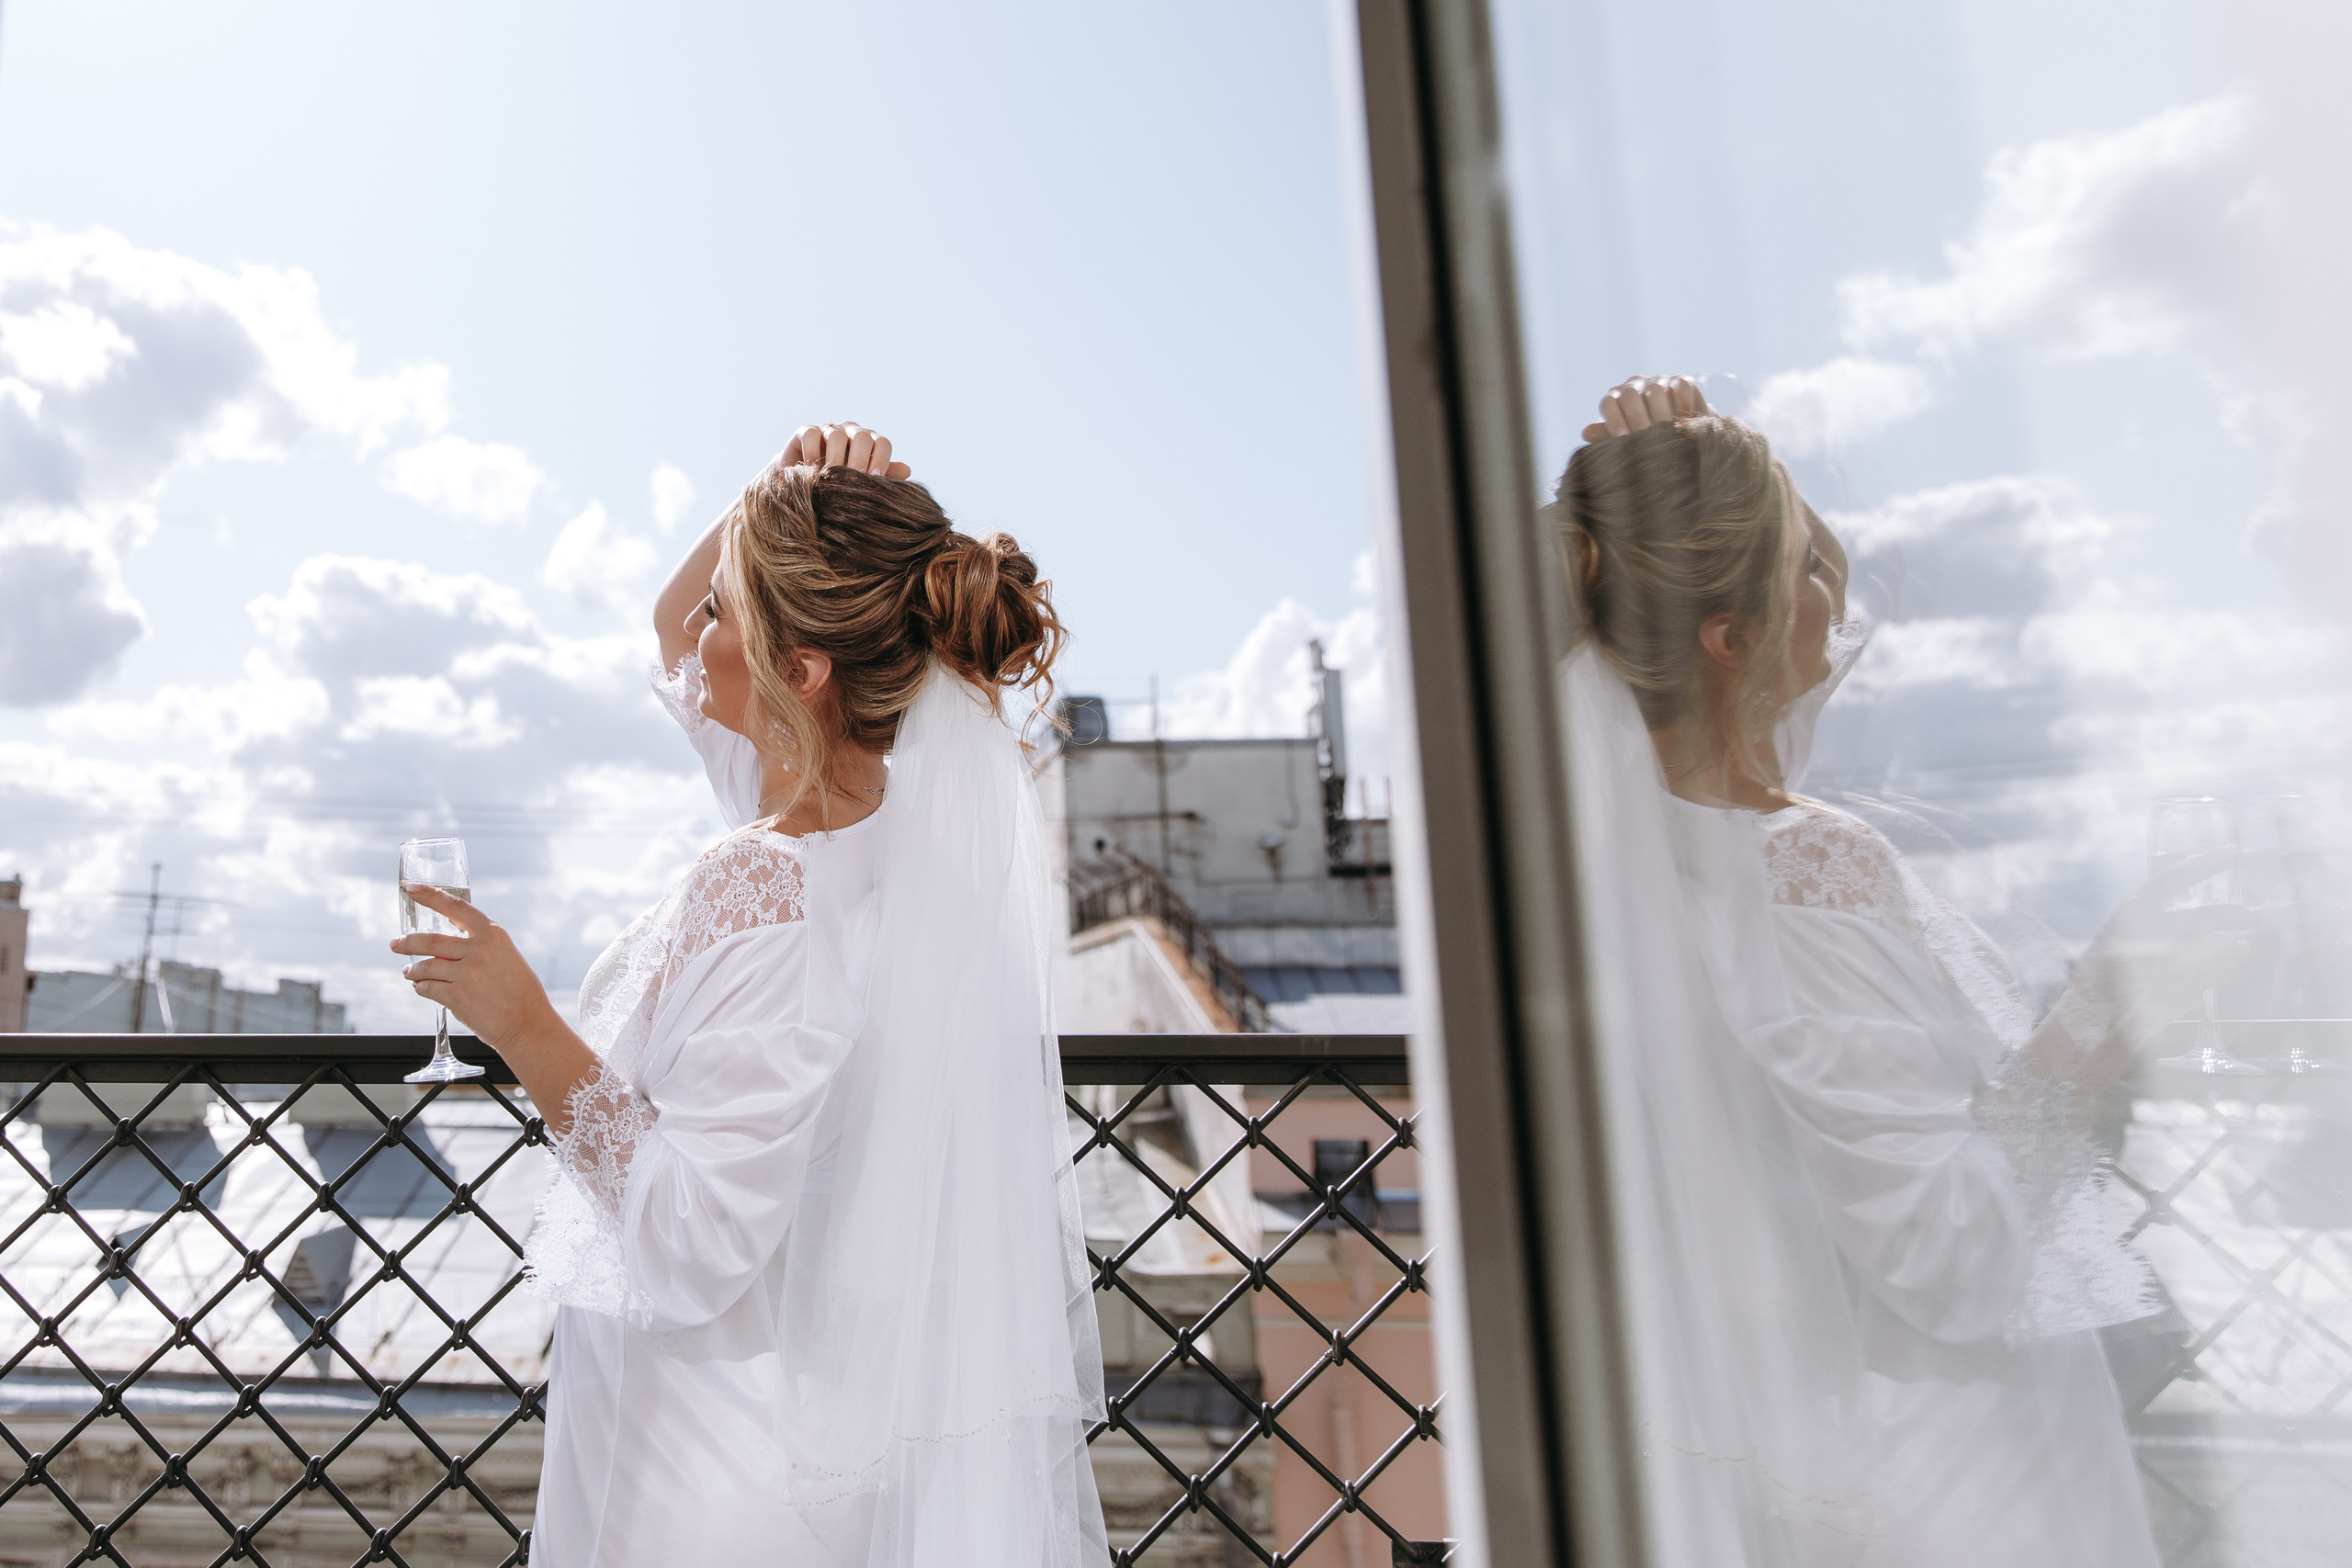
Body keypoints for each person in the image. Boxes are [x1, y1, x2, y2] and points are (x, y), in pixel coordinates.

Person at [1555, 378, 2249, 1566]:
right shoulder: (1804, 864)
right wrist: (2108, 1004)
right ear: (1730, 637)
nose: (1840, 590)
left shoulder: (1626, 865)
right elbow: (1950, 1245)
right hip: (1955, 1477)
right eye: (1807, 566)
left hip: (1812, 1455)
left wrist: (1688, 473)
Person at [389, 423, 1108, 1566]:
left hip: (697, 1461)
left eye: (731, 613)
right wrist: (771, 496)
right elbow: (673, 628)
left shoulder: (768, 884)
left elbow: (689, 1239)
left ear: (803, 670)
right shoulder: (876, 835)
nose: (698, 635)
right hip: (781, 1431)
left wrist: (523, 1023)